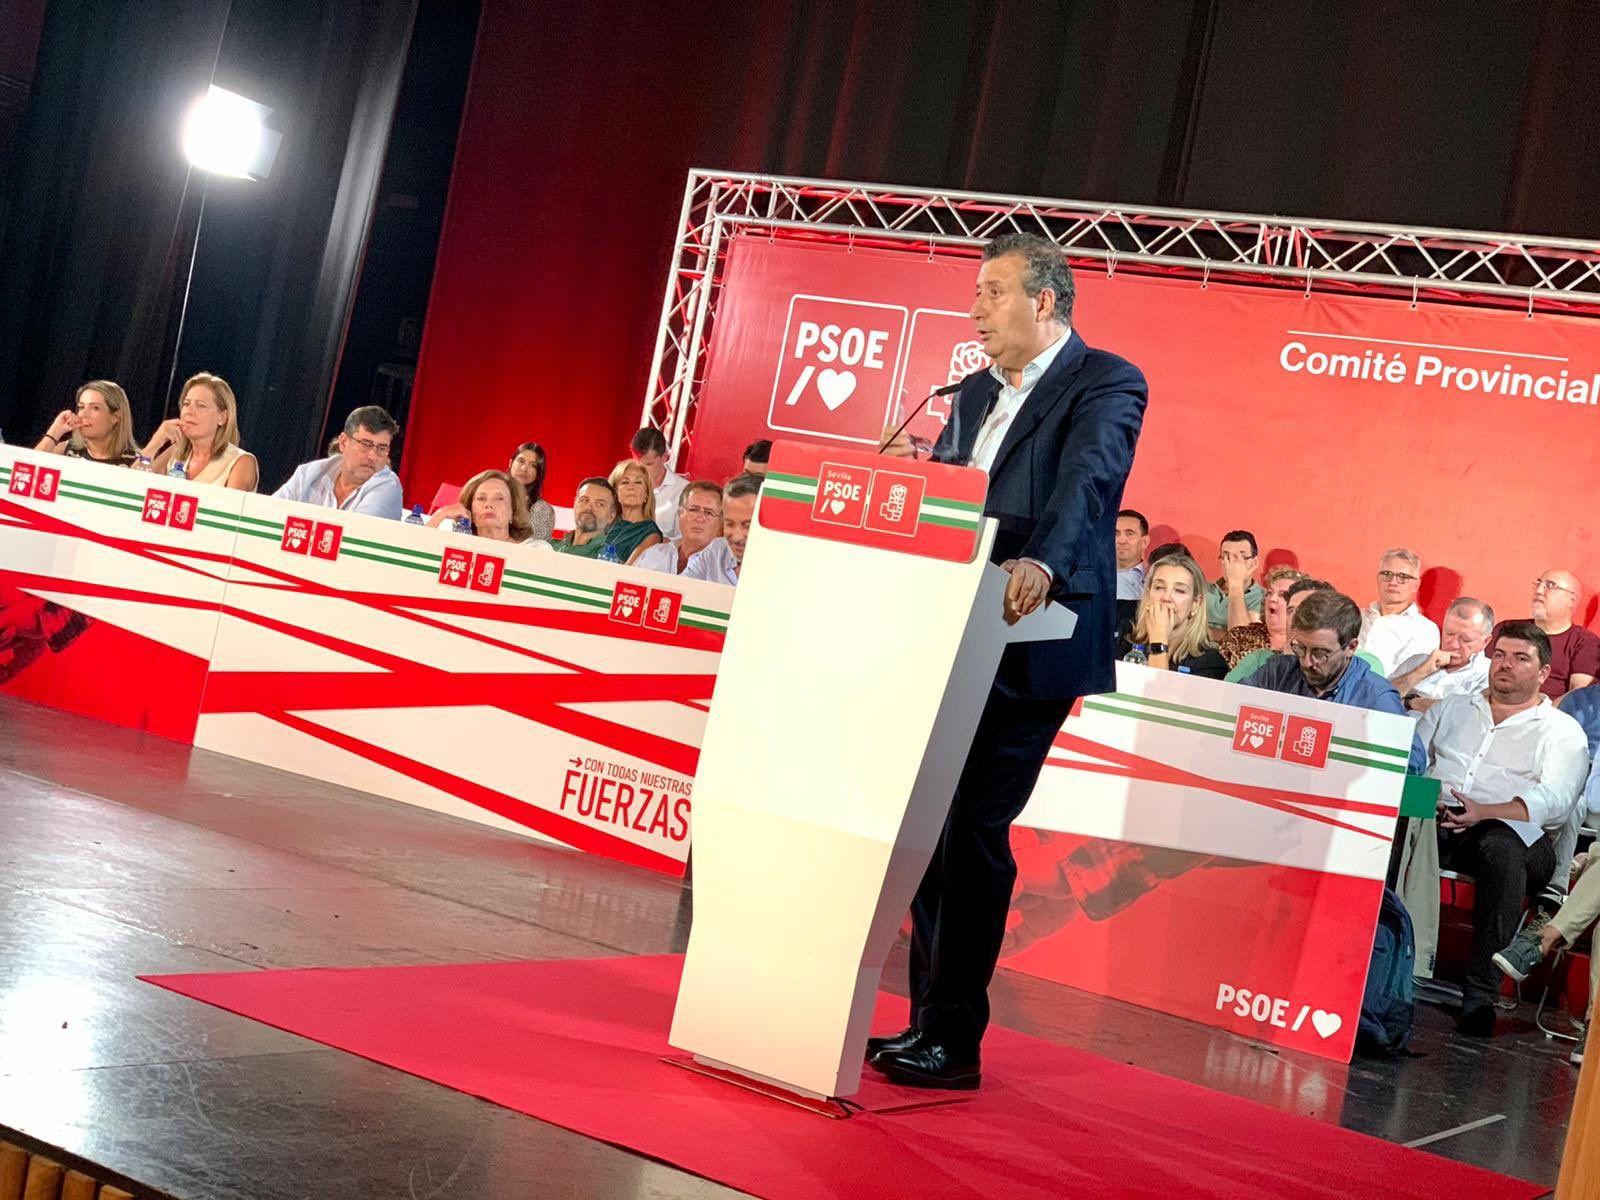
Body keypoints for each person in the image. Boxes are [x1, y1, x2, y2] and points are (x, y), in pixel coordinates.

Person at [872, 231, 1146, 1089]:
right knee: (931, 826)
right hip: (953, 633)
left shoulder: (1105, 381)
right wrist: (903, 490)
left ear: (1044, 301)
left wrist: (1044, 564)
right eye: (976, 293)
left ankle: (955, 1038)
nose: (975, 310)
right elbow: (955, 496)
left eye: (992, 292)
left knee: (972, 827)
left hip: (1034, 635)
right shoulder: (973, 392)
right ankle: (927, 1021)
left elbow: (1087, 484)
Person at [1412, 621, 1589, 1036]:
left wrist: (1485, 811)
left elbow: (1557, 802)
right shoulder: (1451, 708)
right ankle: (1376, 967)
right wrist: (1423, 798)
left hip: (1514, 836)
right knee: (1390, 828)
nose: (1505, 665)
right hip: (1436, 817)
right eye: (1500, 655)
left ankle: (1480, 995)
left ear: (1544, 673)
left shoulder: (1561, 731)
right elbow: (1413, 758)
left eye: (1520, 658)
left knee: (1502, 847)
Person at [1243, 589, 1427, 772]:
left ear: (1351, 647)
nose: (1306, 662)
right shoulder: (1278, 673)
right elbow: (1232, 710)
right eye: (1300, 648)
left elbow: (1414, 763)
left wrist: (1345, 746)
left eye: (1320, 654)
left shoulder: (1375, 696)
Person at [272, 406, 402, 518]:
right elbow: (270, 512)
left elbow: (353, 532)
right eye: (366, 444)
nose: (373, 456)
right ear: (344, 442)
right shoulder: (309, 473)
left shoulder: (388, 487)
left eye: (382, 448)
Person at [1115, 555, 1228, 678]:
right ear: (1148, 595)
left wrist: (1158, 642)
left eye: (1179, 590)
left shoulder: (1211, 662)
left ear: (1195, 604)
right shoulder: (1125, 636)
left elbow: (1158, 689)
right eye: (1159, 587)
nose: (1166, 597)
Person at [142, 372, 259, 490]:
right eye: (186, 404)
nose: (189, 411)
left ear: (223, 417)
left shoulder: (241, 461)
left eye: (201, 406)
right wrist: (155, 443)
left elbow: (232, 502)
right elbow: (133, 487)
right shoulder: (175, 452)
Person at [1499, 569, 1600, 699]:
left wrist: (1539, 710)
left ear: (1571, 600)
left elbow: (1579, 697)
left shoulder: (1585, 642)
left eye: (1550, 585)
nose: (1539, 591)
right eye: (1538, 584)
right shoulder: (1507, 629)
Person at [1391, 597, 1494, 714]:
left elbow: (1466, 714)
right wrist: (1421, 671)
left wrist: (1412, 702)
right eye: (1449, 634)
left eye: (1465, 639)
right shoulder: (1417, 662)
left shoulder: (1490, 675)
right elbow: (1380, 697)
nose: (1454, 644)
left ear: (1486, 641)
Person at [1359, 548, 1439, 676]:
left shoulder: (1424, 629)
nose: (1393, 582)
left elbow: (1408, 676)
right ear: (1378, 579)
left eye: (1403, 577)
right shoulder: (1357, 616)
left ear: (1416, 585)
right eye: (1387, 574)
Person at [1216, 566, 1305, 668]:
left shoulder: (1307, 646)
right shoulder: (1238, 636)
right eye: (1270, 593)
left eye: (1283, 595)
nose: (1272, 598)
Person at [34, 381, 140, 467]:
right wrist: (55, 431)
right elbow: (29, 469)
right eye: (81, 407)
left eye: (95, 408)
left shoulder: (135, 461)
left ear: (115, 417)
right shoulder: (68, 450)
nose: (83, 414)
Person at [683, 474, 758, 586]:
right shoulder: (716, 551)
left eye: (747, 526)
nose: (737, 537)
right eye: (729, 524)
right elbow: (679, 588)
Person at [426, 469, 536, 544]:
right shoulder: (455, 544)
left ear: (513, 511)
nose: (488, 504)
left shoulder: (533, 549)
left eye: (499, 498)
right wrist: (441, 514)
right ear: (469, 510)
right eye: (481, 498)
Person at [636, 481, 722, 575]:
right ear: (679, 513)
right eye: (693, 510)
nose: (700, 518)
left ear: (720, 522)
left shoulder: (725, 569)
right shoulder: (653, 554)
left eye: (709, 513)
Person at [630, 427, 689, 539]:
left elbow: (684, 540)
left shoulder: (683, 490)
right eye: (637, 463)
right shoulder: (623, 484)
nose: (641, 470)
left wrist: (657, 542)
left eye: (649, 464)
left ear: (664, 457)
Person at [607, 459, 666, 565]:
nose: (631, 487)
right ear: (615, 492)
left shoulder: (651, 534)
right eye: (625, 482)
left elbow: (628, 570)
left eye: (638, 482)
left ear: (646, 494)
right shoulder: (605, 522)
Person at [1205, 530, 1263, 635]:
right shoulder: (1203, 590)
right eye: (1226, 557)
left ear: (1254, 562)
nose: (1232, 564)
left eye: (1242, 557)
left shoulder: (1264, 598)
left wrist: (1236, 583)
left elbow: (1241, 639)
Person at [552, 478, 620, 559]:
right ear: (574, 504)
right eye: (584, 500)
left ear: (611, 516)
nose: (589, 507)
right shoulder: (548, 547)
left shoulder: (608, 559)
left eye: (600, 504)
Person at [508, 442, 555, 543]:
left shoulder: (542, 510)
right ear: (510, 463)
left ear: (538, 473)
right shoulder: (489, 494)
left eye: (533, 465)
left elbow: (535, 549)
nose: (524, 468)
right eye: (521, 461)